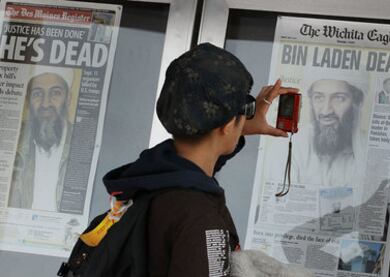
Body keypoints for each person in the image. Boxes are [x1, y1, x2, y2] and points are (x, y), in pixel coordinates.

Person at [101, 43, 298, 276]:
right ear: (226, 126)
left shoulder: (149, 180)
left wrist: (238, 127)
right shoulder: (200, 217)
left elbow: (192, 169)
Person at [9, 68, 74, 212]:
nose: (45, 104)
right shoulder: (15, 138)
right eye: (37, 94)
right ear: (28, 100)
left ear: (68, 98)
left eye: (55, 93)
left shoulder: (81, 141)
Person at [292, 79, 365, 187]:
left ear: (356, 104)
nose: (326, 111)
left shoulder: (369, 151)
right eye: (319, 97)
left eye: (339, 98)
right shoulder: (291, 147)